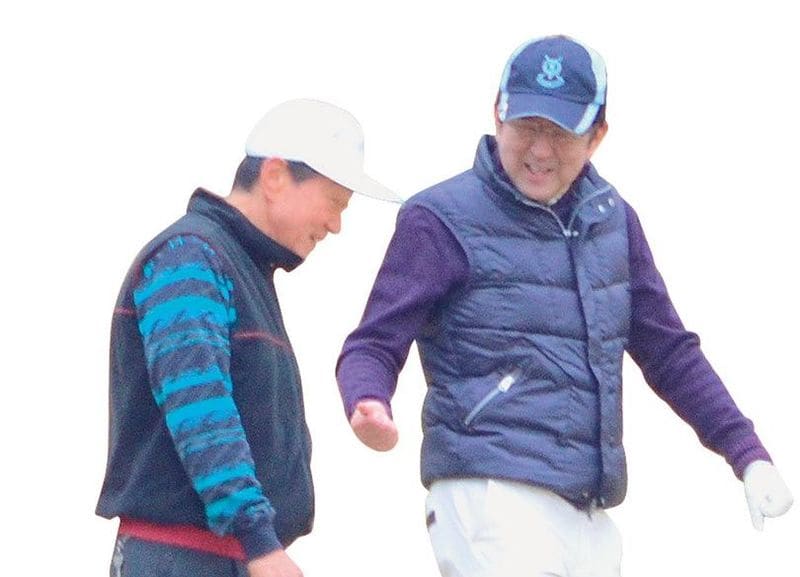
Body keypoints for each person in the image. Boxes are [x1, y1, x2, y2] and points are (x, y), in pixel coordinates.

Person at [336, 36, 793, 577]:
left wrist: (746, 452)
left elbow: (670, 352)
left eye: (560, 132)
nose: (539, 151)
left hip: (589, 509)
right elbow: (372, 342)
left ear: (598, 135)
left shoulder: (614, 220)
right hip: (490, 493)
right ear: (497, 113)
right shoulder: (439, 218)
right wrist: (368, 397)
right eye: (527, 127)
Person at [96, 98, 399, 577]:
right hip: (186, 558)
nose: (336, 225)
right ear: (275, 177)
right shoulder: (189, 257)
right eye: (335, 202)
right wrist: (257, 539)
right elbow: (199, 403)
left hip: (224, 555)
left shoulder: (238, 267)